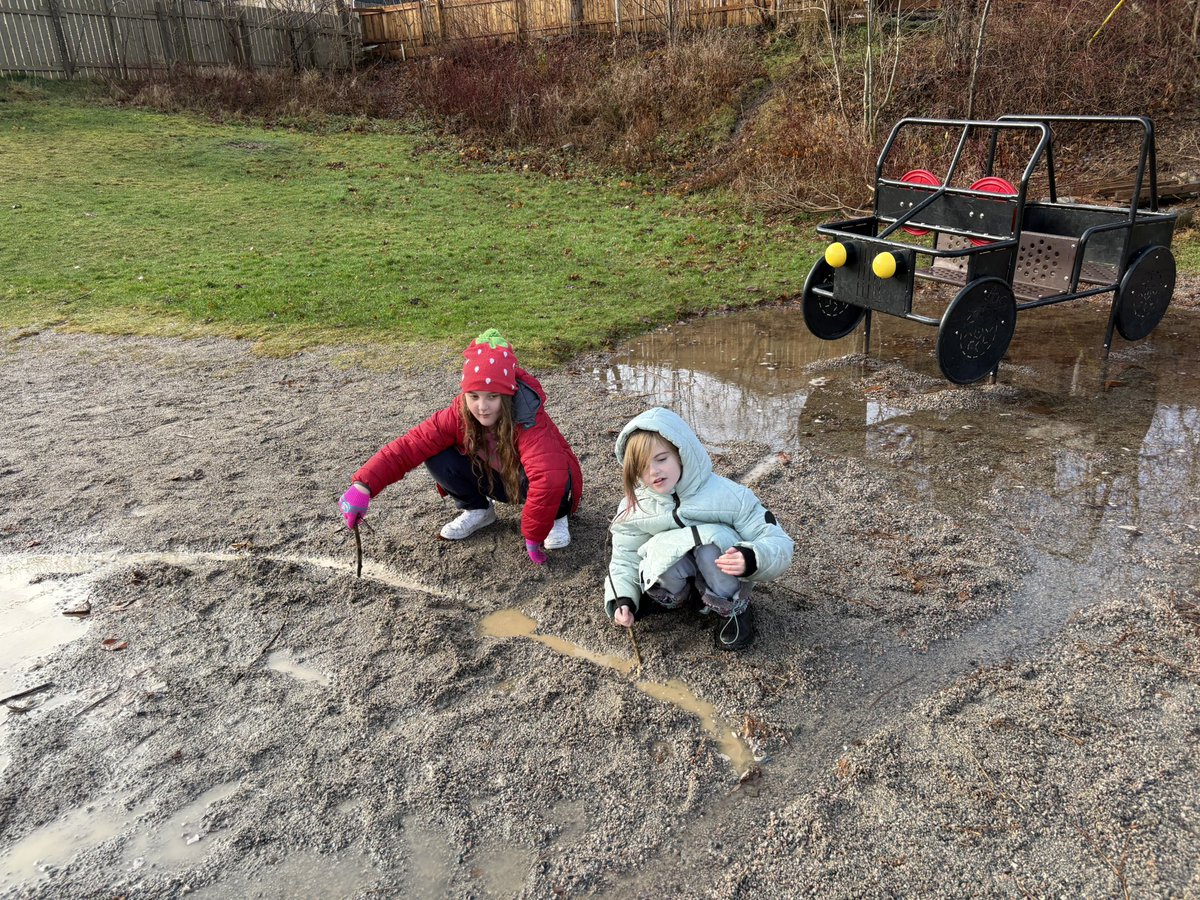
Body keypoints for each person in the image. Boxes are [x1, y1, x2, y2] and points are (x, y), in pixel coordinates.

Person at [339, 328, 583, 564]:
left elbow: (548, 479)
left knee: (554, 472)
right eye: (474, 396)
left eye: (492, 396)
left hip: (537, 484)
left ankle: (556, 516)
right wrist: (363, 486)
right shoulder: (457, 415)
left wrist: (533, 535)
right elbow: (409, 446)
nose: (482, 407)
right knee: (436, 454)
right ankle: (478, 510)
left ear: (508, 396)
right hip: (501, 480)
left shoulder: (529, 419)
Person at [603, 407, 793, 651]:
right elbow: (624, 557)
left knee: (710, 548)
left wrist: (751, 558)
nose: (653, 471)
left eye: (661, 459)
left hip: (719, 570)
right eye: (642, 466)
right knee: (659, 549)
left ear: (681, 454)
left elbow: (777, 540)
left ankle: (733, 609)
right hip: (677, 577)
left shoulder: (730, 496)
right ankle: (678, 599)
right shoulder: (634, 507)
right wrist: (623, 598)